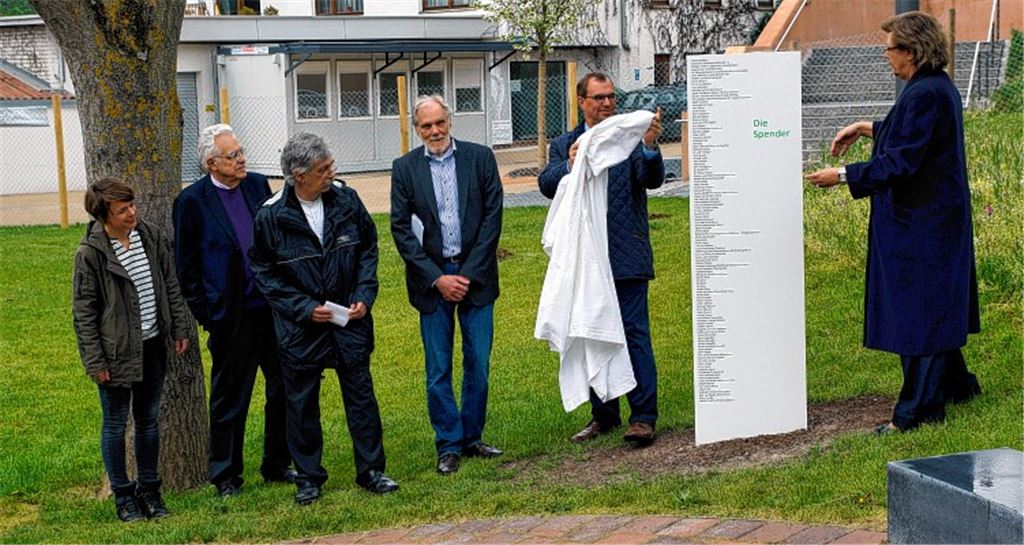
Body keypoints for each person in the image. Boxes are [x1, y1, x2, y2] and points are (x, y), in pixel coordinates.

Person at [806, 11, 980, 434]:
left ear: (911, 50)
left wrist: (843, 175)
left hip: (923, 224)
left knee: (919, 314)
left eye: (890, 49)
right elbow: (913, 136)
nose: (886, 57)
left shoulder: (923, 93)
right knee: (933, 305)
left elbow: (903, 161)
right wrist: (869, 128)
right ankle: (959, 387)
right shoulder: (936, 87)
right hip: (934, 219)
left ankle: (916, 413)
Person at [250, 132, 397, 505]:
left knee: (361, 397)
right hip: (302, 329)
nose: (331, 172)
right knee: (301, 404)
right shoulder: (271, 216)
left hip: (349, 322)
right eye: (323, 168)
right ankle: (309, 477)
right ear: (298, 175)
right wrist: (301, 308)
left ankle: (372, 470)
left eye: (330, 165)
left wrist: (364, 296)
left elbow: (368, 249)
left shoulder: (347, 199)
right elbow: (265, 272)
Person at [538, 72, 665, 445]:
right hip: (585, 258)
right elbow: (547, 185)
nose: (607, 104)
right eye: (599, 98)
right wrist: (569, 164)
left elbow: (652, 179)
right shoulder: (565, 143)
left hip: (627, 254)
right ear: (582, 101)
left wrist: (649, 146)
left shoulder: (627, 138)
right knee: (591, 330)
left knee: (633, 333)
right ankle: (603, 415)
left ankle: (643, 416)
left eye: (611, 97)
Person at [173, 124, 294, 497]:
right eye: (233, 155)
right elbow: (186, 265)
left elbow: (278, 238)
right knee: (230, 396)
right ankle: (225, 474)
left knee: (284, 390)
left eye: (241, 152)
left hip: (271, 309)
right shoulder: (192, 201)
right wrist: (208, 314)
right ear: (212, 163)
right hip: (232, 316)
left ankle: (277, 463)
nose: (241, 160)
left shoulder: (258, 186)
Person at [390, 95, 504, 475]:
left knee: (479, 363)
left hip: (477, 278)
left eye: (440, 123)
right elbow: (401, 230)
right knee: (438, 368)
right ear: (416, 129)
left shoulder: (480, 158)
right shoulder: (404, 168)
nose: (435, 131)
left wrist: (467, 274)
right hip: (432, 284)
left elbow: (492, 218)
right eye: (426, 126)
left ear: (450, 122)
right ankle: (448, 444)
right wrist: (438, 278)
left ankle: (471, 437)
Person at [72, 178, 190, 521]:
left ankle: (150, 492)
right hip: (115, 354)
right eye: (123, 210)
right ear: (103, 216)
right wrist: (95, 360)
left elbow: (170, 282)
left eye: (132, 206)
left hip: (152, 345)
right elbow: (83, 312)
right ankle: (124, 497)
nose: (132, 213)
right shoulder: (90, 254)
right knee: (115, 423)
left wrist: (179, 327)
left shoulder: (148, 236)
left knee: (148, 420)